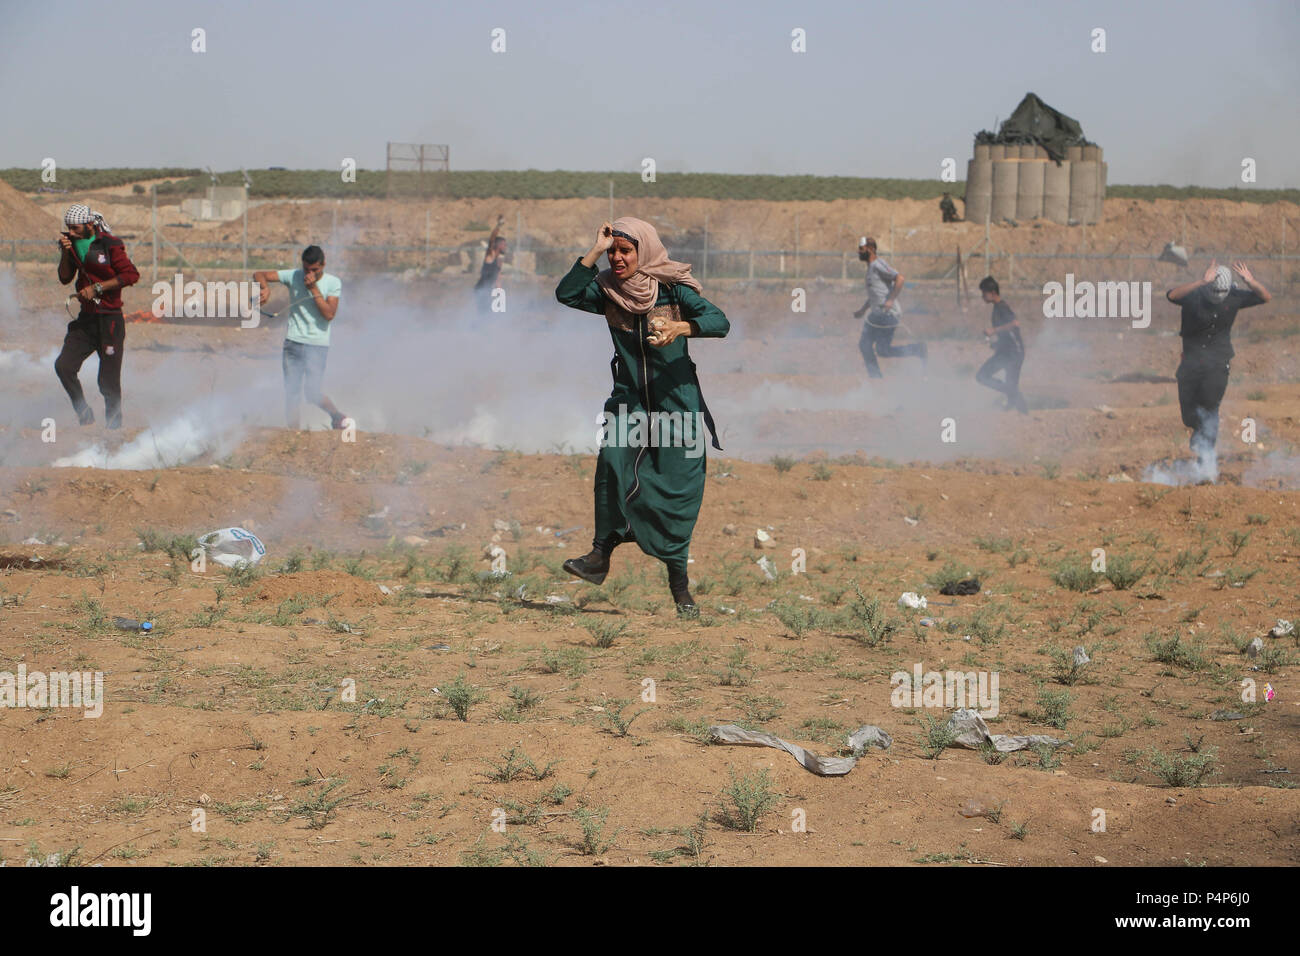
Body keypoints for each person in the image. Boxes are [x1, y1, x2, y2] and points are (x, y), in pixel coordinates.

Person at [555, 217, 728, 617]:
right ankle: (600, 555)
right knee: (613, 467)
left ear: (643, 251)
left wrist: (681, 328)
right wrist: (593, 251)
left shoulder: (673, 289)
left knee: (675, 491)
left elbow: (721, 322)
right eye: (613, 251)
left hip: (676, 405)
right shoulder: (606, 292)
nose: (617, 258)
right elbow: (566, 293)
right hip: (630, 401)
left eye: (625, 250)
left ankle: (680, 587)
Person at [1166, 260, 1270, 466]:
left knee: (1210, 408)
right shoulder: (1194, 296)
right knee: (1189, 416)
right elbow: (1172, 295)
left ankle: (1207, 460)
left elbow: (1265, 297)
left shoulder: (1234, 297)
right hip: (1191, 364)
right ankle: (1199, 435)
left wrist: (1251, 281)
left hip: (1218, 363)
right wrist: (1200, 282)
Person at [54, 204, 140, 428]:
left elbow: (131, 274)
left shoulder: (110, 244)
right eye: (68, 228)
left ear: (90, 225)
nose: (71, 232)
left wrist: (98, 288)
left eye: (75, 228)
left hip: (110, 319)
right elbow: (64, 277)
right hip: (86, 319)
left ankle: (114, 429)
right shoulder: (70, 244)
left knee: (107, 383)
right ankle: (84, 414)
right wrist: (65, 252)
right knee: (64, 366)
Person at [253, 245, 349, 429]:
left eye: (315, 270)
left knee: (312, 393)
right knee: (292, 392)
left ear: (323, 265)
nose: (309, 273)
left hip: (317, 346)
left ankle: (337, 417)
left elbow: (329, 314)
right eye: (306, 269)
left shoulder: (333, 283)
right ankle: (294, 434)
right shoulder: (294, 275)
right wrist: (264, 288)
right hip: (293, 343)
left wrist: (313, 289)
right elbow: (259, 274)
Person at [853, 237, 925, 378]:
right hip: (876, 314)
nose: (859, 252)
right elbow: (876, 295)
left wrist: (891, 300)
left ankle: (917, 349)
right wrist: (863, 309)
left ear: (871, 249)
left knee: (882, 350)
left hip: (888, 314)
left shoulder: (878, 264)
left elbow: (900, 278)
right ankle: (876, 377)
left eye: (861, 249)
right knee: (865, 345)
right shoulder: (870, 269)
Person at [975, 276, 1027, 413]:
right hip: (1008, 351)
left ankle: (1021, 408)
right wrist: (997, 344)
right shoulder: (997, 308)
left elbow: (1015, 324)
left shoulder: (1002, 307)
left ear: (992, 293)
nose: (982, 296)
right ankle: (1017, 407)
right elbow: (1008, 333)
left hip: (1013, 353)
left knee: (982, 376)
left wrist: (993, 331)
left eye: (984, 293)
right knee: (1010, 386)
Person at [474, 215, 508, 314]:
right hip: (481, 288)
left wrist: (500, 294)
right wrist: (498, 226)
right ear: (498, 245)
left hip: (489, 290)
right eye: (503, 244)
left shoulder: (499, 260)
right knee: (483, 312)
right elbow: (491, 240)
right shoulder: (490, 255)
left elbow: (498, 279)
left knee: (491, 313)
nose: (505, 246)